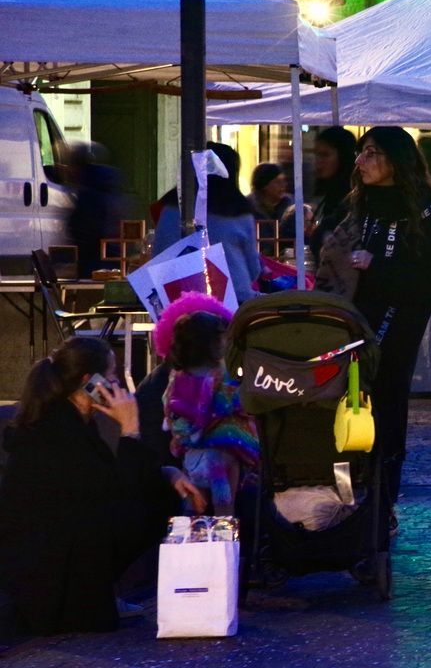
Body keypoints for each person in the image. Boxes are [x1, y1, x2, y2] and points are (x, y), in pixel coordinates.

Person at [0, 337, 206, 636]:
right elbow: (118, 490)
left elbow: (110, 481)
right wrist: (130, 429)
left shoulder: (69, 419)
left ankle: (103, 590)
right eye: (111, 377)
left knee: (160, 492)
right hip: (49, 579)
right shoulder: (57, 428)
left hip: (60, 553)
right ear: (89, 381)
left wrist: (168, 471)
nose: (117, 385)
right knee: (154, 502)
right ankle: (97, 593)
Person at [340, 127, 431, 520]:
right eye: (360, 153)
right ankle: (352, 497)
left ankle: (383, 504)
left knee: (386, 409)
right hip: (356, 324)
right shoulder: (360, 202)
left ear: (394, 159)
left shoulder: (419, 206)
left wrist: (377, 264)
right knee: (351, 406)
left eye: (371, 153)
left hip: (398, 326)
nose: (361, 161)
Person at [160, 305, 260, 516]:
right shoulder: (223, 377)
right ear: (213, 344)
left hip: (191, 457)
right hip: (222, 458)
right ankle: (227, 545)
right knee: (225, 508)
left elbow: (170, 414)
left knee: (194, 507)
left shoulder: (177, 379)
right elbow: (241, 403)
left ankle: (193, 542)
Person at [152, 141, 263, 299]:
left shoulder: (171, 208)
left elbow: (158, 257)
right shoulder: (240, 212)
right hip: (235, 301)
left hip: (179, 303)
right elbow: (253, 270)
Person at [64, 142, 125, 279]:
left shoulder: (89, 192)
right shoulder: (105, 185)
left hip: (96, 258)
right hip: (108, 253)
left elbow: (88, 228)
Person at [306, 127, 359, 268]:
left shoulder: (351, 197)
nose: (318, 161)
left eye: (325, 155)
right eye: (316, 154)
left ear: (343, 156)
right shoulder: (330, 195)